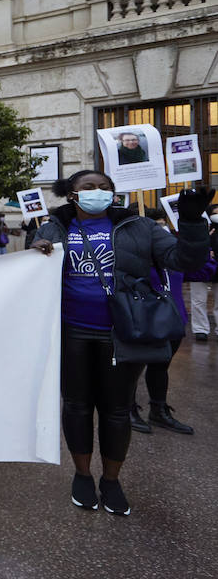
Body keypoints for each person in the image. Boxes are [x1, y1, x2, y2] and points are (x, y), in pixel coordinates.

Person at [32, 172, 211, 516]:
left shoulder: (139, 227)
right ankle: (82, 476)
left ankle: (111, 481)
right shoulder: (52, 228)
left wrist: (191, 222)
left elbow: (187, 261)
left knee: (116, 410)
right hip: (72, 333)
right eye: (89, 187)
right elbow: (33, 272)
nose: (98, 192)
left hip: (123, 333)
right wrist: (36, 251)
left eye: (105, 187)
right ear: (72, 194)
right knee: (76, 406)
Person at [128, 208, 194, 436]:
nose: (160, 229)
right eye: (154, 224)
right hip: (145, 321)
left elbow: (200, 269)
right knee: (134, 367)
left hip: (174, 321)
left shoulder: (174, 254)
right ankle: (128, 409)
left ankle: (158, 410)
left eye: (162, 223)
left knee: (160, 367)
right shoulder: (135, 255)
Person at [187, 204, 218, 342]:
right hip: (200, 267)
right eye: (215, 213)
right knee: (198, 300)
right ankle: (200, 329)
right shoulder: (200, 227)